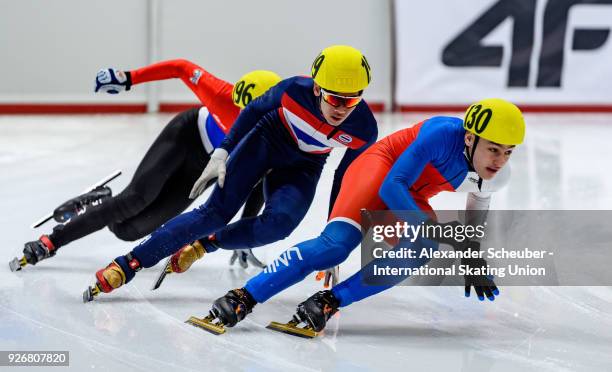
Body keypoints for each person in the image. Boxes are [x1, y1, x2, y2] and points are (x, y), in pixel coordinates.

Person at [195, 98, 525, 335]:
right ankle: (244, 296)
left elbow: (473, 216)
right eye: (493, 149)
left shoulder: (497, 174)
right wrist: (430, 229)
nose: (499, 161)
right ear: (469, 138)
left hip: (412, 194)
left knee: (423, 247)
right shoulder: (440, 133)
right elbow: (393, 186)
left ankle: (327, 302)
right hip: (379, 170)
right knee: (336, 247)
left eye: (508, 152)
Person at [84, 45, 378, 301]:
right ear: (316, 88)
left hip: (304, 166)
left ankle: (206, 244)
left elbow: (345, 177)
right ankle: (128, 263)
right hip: (266, 141)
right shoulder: (293, 90)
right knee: (213, 213)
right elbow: (251, 111)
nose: (342, 109)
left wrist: (332, 233)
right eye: (336, 99)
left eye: (352, 100)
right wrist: (224, 151)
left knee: (279, 227)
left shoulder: (364, 129)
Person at [17, 59, 281, 271]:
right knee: (134, 199)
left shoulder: (276, 132)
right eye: (237, 112)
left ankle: (99, 201)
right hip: (185, 136)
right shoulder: (221, 94)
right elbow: (181, 67)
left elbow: (259, 180)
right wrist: (129, 77)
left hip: (205, 167)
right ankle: (53, 241)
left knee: (129, 231)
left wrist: (246, 233)